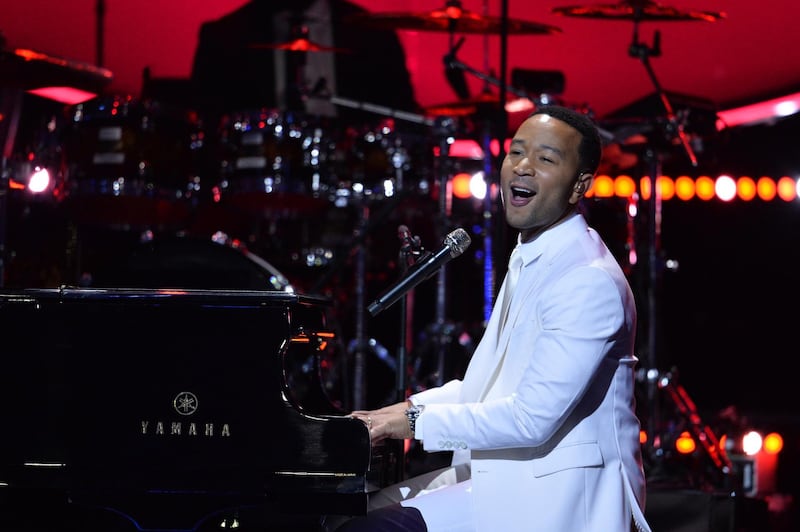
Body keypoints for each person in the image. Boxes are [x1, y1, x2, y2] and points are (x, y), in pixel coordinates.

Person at [333, 105, 652, 532]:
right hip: (505, 477)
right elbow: (484, 390)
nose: (522, 167)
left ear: (580, 186)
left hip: (556, 497)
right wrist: (390, 414)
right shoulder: (533, 256)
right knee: (343, 515)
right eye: (516, 152)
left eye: (546, 159)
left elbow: (530, 418)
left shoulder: (587, 281)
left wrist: (407, 424)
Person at [189, 0, 419, 123]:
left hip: (351, 187)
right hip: (254, 189)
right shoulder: (225, 36)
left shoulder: (373, 35)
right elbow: (205, 121)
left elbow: (405, 116)